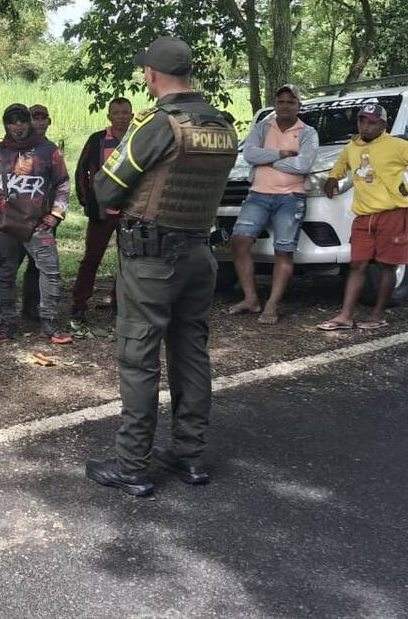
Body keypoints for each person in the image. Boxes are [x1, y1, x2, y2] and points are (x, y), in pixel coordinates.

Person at [86, 37, 237, 497]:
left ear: (152, 76)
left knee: (139, 357)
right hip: (199, 255)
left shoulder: (157, 123)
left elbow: (106, 191)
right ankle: (190, 455)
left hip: (152, 261)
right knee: (191, 353)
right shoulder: (223, 125)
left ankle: (133, 463)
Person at [316, 102, 408, 331]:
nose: (366, 126)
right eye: (362, 120)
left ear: (382, 124)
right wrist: (333, 177)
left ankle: (378, 314)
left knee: (387, 266)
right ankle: (345, 315)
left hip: (392, 213)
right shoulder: (352, 146)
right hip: (363, 217)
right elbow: (342, 164)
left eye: (372, 122)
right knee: (357, 265)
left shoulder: (397, 145)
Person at [0, 103, 71, 344]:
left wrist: (56, 214)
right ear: (5, 124)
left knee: (50, 270)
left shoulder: (48, 151)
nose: (17, 126)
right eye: (11, 121)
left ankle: (49, 324)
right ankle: (5, 325)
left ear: (29, 122)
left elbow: (63, 184)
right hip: (3, 224)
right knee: (5, 274)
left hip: (37, 224)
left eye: (21, 121)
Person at [228, 85, 319, 325]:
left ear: (299, 105)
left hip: (291, 197)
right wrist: (281, 154)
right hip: (258, 194)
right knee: (239, 240)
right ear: (275, 104)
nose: (285, 106)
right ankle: (251, 299)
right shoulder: (262, 127)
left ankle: (272, 305)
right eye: (281, 101)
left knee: (284, 250)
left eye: (291, 102)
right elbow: (249, 155)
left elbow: (303, 166)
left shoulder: (308, 133)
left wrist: (267, 160)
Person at [71, 97, 134, 327]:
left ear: (132, 115)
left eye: (125, 112)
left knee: (127, 260)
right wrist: (87, 202)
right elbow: (81, 171)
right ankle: (78, 305)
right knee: (91, 258)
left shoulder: (137, 140)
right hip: (102, 210)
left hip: (131, 212)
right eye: (116, 113)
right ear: (109, 116)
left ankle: (120, 304)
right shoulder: (98, 140)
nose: (121, 117)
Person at [20, 104, 54, 326]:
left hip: (44, 216)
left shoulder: (51, 149)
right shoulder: (16, 147)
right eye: (35, 117)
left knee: (39, 263)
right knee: (10, 262)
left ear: (49, 121)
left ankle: (34, 306)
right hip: (17, 215)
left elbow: (60, 182)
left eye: (43, 118)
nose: (39, 122)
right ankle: (3, 309)